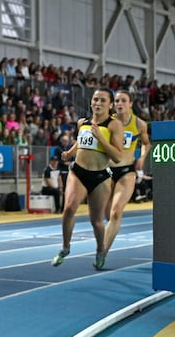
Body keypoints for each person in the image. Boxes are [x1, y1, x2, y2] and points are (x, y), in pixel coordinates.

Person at [51, 88, 123, 270]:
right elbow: (81, 141)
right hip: (79, 172)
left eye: (103, 100)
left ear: (111, 105)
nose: (98, 103)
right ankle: (65, 247)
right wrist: (70, 152)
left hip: (100, 177)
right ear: (91, 102)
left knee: (96, 221)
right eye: (95, 100)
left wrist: (101, 137)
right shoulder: (82, 122)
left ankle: (100, 250)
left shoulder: (114, 125)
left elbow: (117, 157)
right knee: (68, 209)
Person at [102, 90, 151, 265]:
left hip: (126, 171)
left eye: (123, 100)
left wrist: (142, 158)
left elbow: (146, 143)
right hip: (107, 171)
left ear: (130, 104)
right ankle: (111, 232)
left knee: (116, 212)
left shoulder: (139, 124)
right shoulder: (108, 122)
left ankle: (102, 253)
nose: (119, 103)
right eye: (116, 101)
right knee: (108, 214)